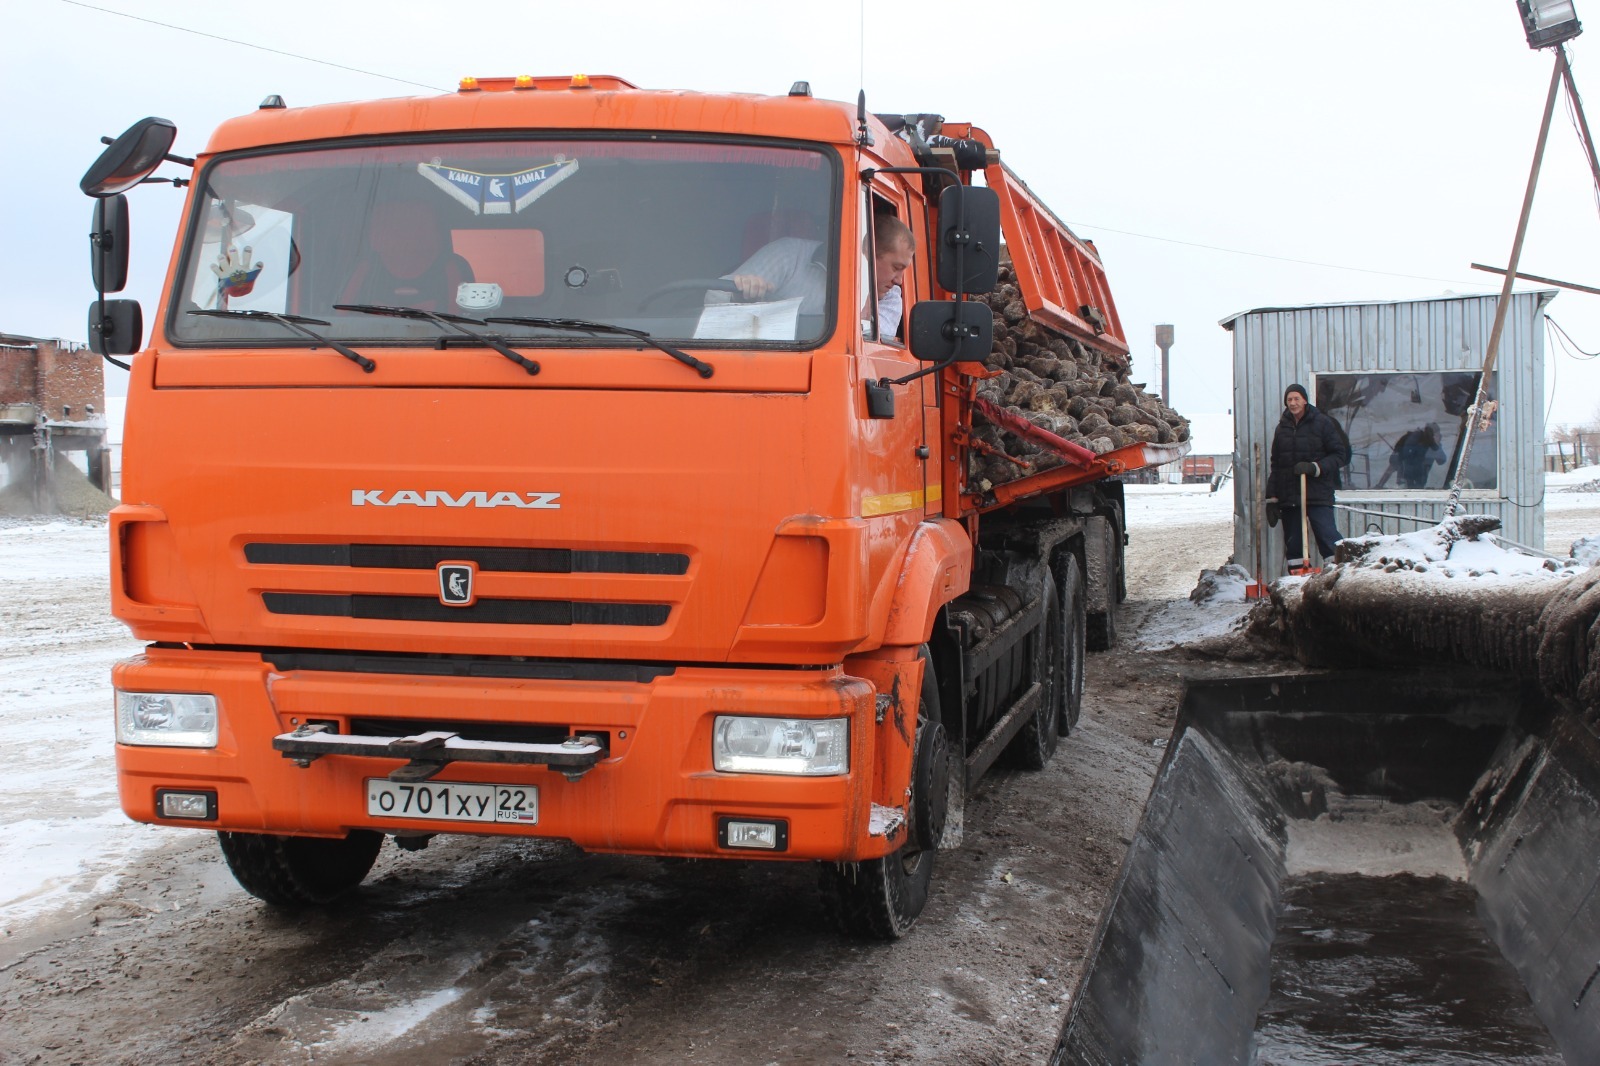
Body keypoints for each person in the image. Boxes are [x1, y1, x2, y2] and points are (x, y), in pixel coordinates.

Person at [715, 215, 915, 336]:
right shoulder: (789, 255)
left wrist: (865, 306)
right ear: (867, 253)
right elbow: (713, 296)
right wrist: (738, 294)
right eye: (896, 267)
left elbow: (867, 348)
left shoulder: (889, 298)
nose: (899, 281)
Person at [1265, 383, 1346, 564]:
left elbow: (1340, 455)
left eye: (1296, 399)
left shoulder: (1322, 423)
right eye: (1289, 400)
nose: (1293, 403)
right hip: (1290, 496)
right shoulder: (1282, 429)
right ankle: (1296, 584)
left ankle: (1336, 578)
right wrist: (1272, 498)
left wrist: (1315, 467)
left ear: (1305, 400)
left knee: (1328, 537)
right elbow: (1276, 465)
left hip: (1317, 493)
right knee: (1294, 545)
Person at [1386, 423, 1448, 489]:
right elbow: (1392, 465)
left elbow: (1441, 461)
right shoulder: (1414, 444)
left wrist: (1438, 446)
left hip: (1419, 486)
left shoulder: (1433, 447)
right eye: (1435, 435)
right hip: (1405, 485)